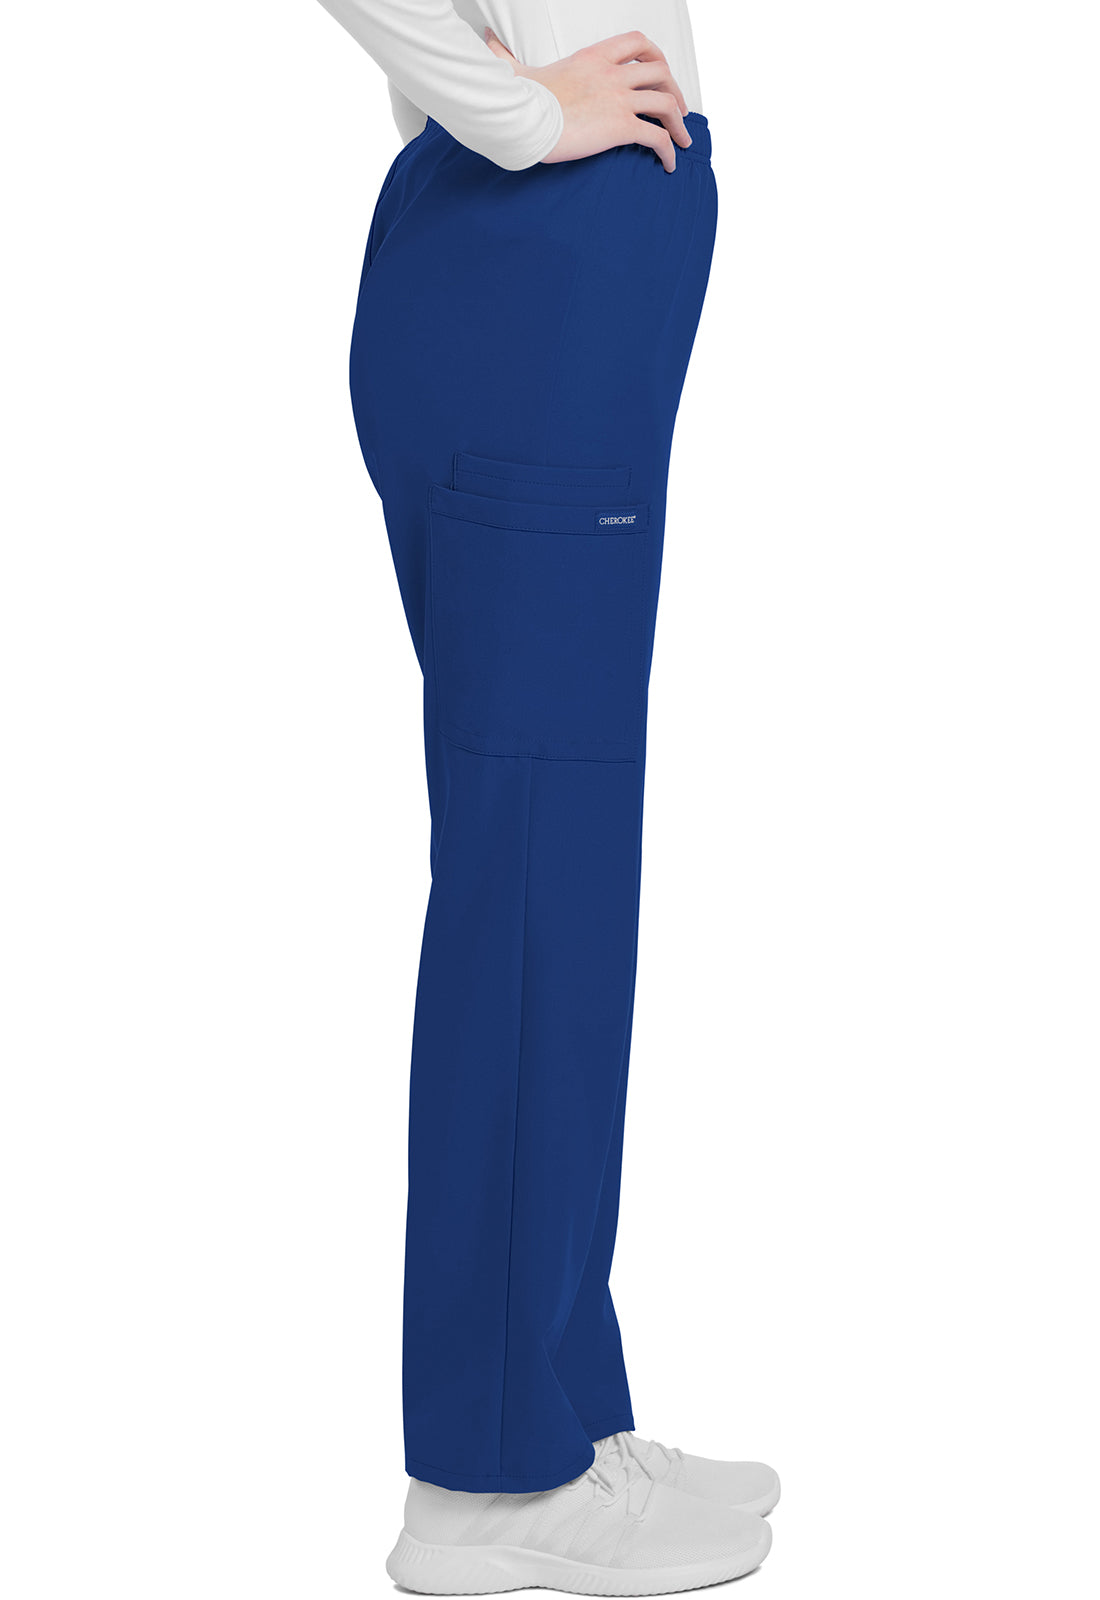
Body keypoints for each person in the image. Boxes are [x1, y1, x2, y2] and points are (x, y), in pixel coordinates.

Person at [313, 3, 779, 1591]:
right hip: (529, 281)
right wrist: (516, 114)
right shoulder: (526, 165)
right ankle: (486, 1485)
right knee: (534, 884)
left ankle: (559, 1415)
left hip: (561, 290)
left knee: (560, 876)